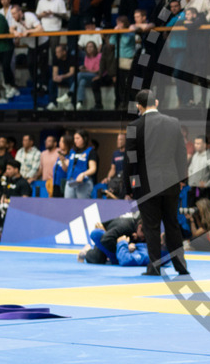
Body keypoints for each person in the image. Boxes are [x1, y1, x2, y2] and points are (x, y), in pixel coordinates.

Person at [124, 89, 190, 277]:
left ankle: (154, 267)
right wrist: (182, 179)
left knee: (151, 227)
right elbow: (181, 153)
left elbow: (130, 160)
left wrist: (129, 187)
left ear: (139, 106)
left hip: (146, 185)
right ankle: (181, 266)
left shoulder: (134, 126)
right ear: (157, 102)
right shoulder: (173, 122)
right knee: (172, 224)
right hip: (171, 182)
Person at [80, 213, 149, 266]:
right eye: (143, 236)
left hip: (120, 239)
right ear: (139, 227)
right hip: (108, 239)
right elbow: (105, 240)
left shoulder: (141, 224)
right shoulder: (124, 226)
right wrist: (123, 247)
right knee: (98, 259)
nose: (144, 238)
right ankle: (86, 251)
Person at [60, 129, 97, 199]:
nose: (75, 141)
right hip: (70, 182)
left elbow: (93, 169)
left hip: (83, 182)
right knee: (68, 203)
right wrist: (62, 161)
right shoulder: (72, 151)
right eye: (74, 138)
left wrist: (83, 174)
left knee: (82, 204)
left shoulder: (90, 151)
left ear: (84, 139)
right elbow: (66, 169)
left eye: (78, 138)